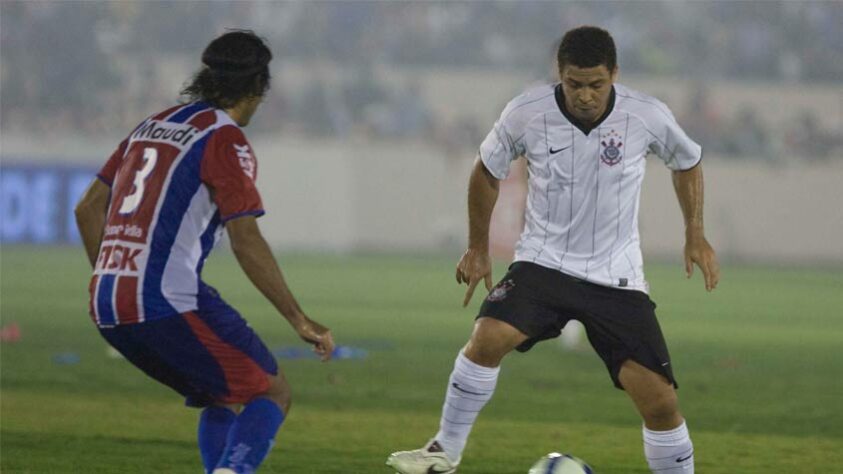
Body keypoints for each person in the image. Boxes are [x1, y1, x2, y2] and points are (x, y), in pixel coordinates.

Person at [387, 26, 718, 474]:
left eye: (596, 85)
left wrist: (694, 232)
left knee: (660, 402)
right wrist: (478, 247)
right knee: (487, 338)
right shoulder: (527, 112)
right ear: (559, 74)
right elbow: (486, 171)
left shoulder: (646, 115)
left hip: (616, 277)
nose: (585, 95)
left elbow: (687, 161)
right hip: (543, 263)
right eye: (574, 84)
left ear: (614, 75)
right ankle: (443, 452)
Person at [74, 31, 334, 474]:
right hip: (164, 299)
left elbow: (87, 209)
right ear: (257, 88)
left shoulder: (150, 126)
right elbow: (246, 239)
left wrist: (113, 275)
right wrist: (298, 318)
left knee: (222, 393)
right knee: (271, 392)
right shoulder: (224, 140)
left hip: (105, 300)